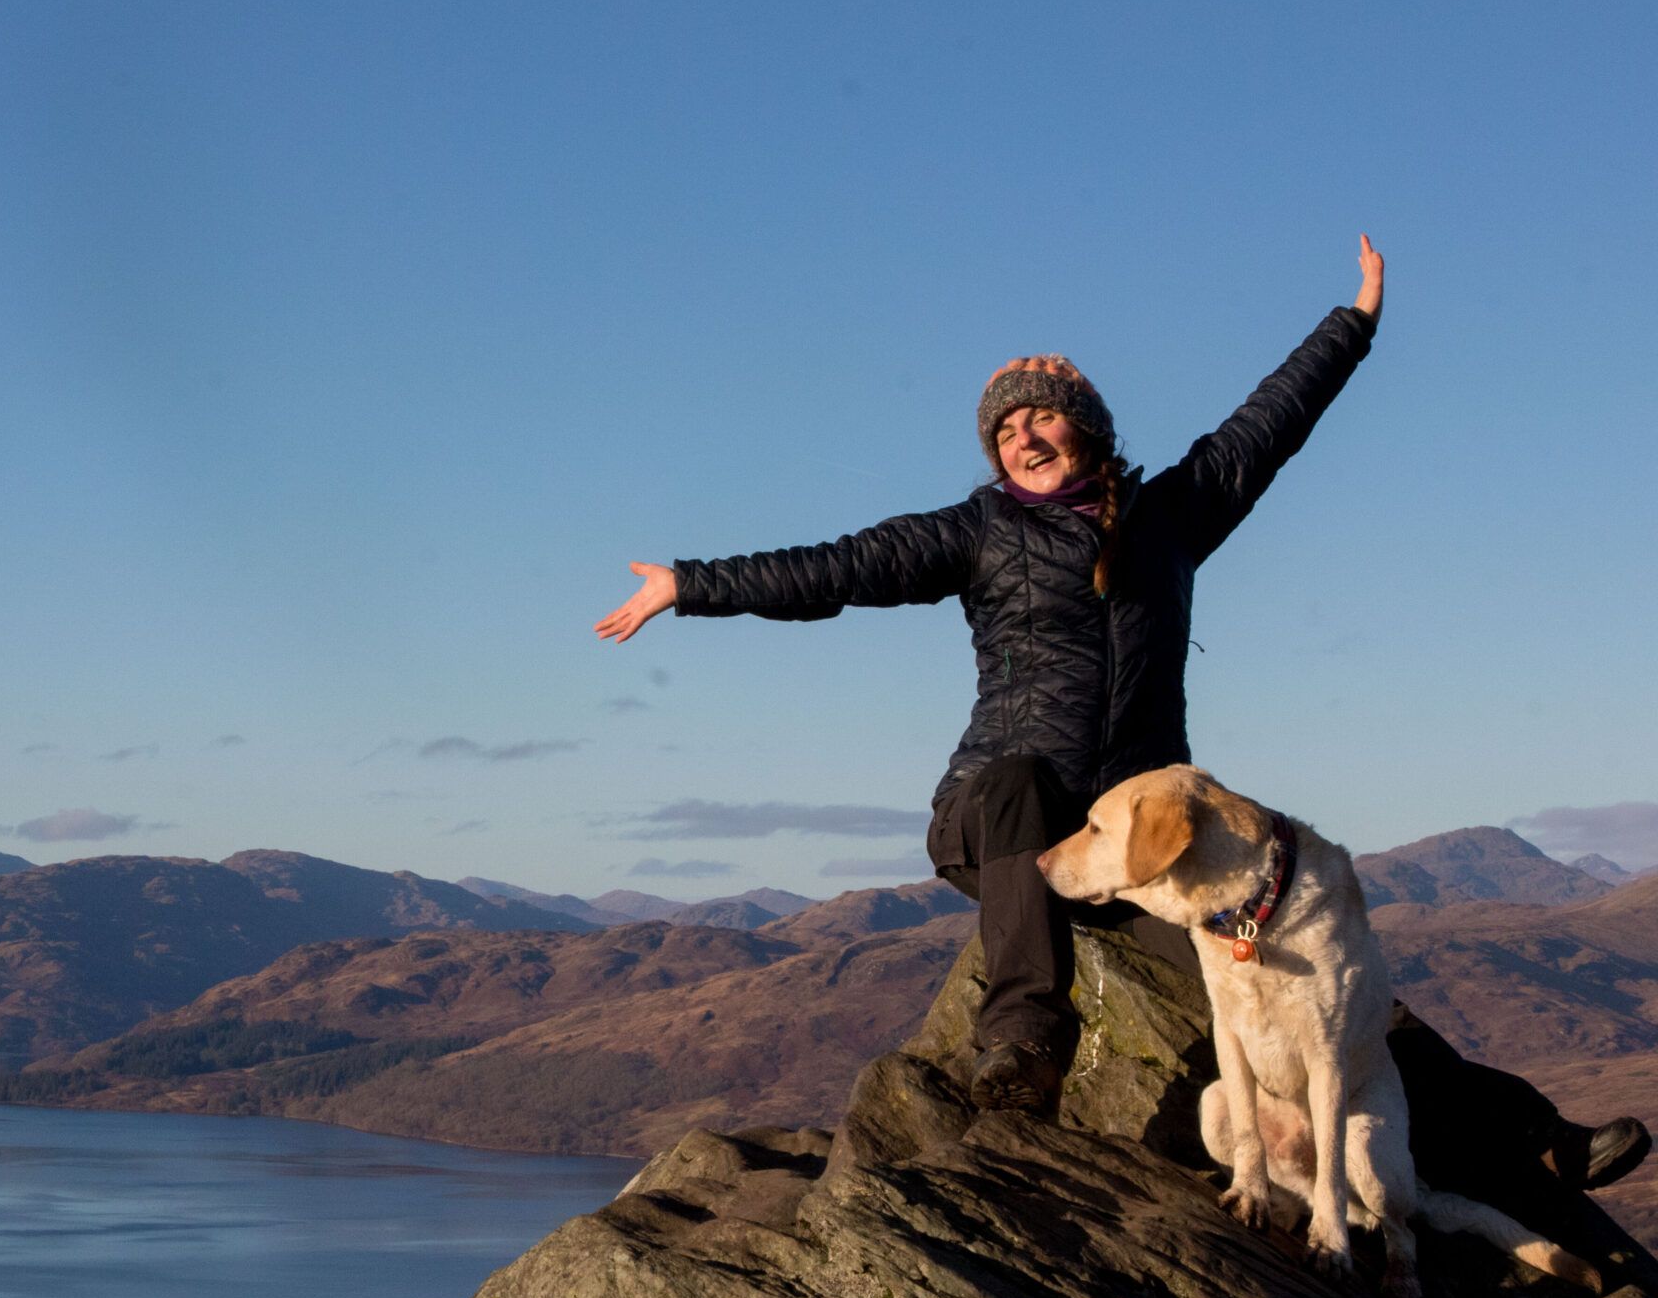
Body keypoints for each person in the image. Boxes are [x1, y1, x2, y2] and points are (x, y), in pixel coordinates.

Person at [595, 236, 1649, 1204]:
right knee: (1017, 780)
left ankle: (1531, 1139)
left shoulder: (1171, 517)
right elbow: (834, 568)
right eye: (1005, 429)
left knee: (1315, 961)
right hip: (999, 821)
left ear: (1087, 428)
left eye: (1040, 416)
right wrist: (689, 584)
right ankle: (1023, 1047)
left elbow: (1270, 423)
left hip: (1135, 845)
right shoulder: (976, 533)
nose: (1022, 435)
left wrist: (1355, 320)